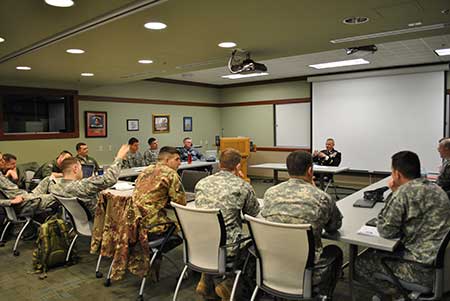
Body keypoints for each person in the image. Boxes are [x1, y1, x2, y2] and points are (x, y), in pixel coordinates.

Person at [355, 151, 450, 299]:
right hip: (442, 264)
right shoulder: (438, 190)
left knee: (361, 263)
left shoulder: (403, 194)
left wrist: (393, 194)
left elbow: (386, 231)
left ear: (397, 174)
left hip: (420, 270)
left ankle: (400, 295)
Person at [262, 150, 343, 299]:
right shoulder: (322, 197)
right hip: (307, 270)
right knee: (335, 252)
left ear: (288, 170)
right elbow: (334, 226)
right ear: (310, 170)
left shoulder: (270, 193)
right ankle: (321, 296)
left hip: (271, 265)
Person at [194, 148, 260, 300]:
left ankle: (206, 279)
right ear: (238, 166)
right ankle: (229, 284)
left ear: (219, 163)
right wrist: (242, 181)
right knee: (255, 244)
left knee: (214, 236)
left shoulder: (202, 183)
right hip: (227, 247)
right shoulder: (241, 186)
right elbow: (253, 214)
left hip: (201, 243)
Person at [32, 145, 129, 216]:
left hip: (79, 223)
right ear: (75, 169)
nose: (81, 170)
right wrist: (119, 158)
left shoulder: (55, 187)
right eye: (80, 168)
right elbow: (110, 178)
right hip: (98, 221)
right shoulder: (82, 186)